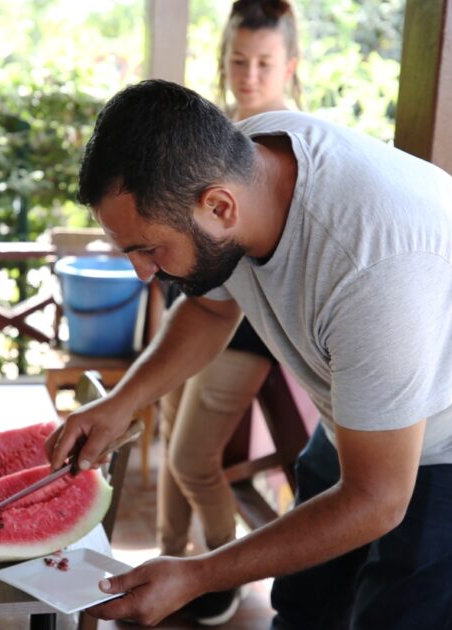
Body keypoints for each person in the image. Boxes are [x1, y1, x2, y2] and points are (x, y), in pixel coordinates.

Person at [47, 79, 452, 629]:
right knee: (304, 607)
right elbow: (211, 311)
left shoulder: (377, 267)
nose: (141, 272)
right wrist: (121, 404)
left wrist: (198, 574)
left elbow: (377, 500)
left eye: (148, 249)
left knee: (394, 619)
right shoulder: (239, 165)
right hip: (361, 414)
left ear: (219, 207)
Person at [154, 4, 298, 625]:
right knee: (168, 439)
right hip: (193, 311)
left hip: (248, 335)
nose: (249, 74)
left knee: (191, 459)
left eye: (263, 62)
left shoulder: (293, 141)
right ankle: (165, 558)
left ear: (290, 65)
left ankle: (218, 576)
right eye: (238, 60)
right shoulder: (214, 131)